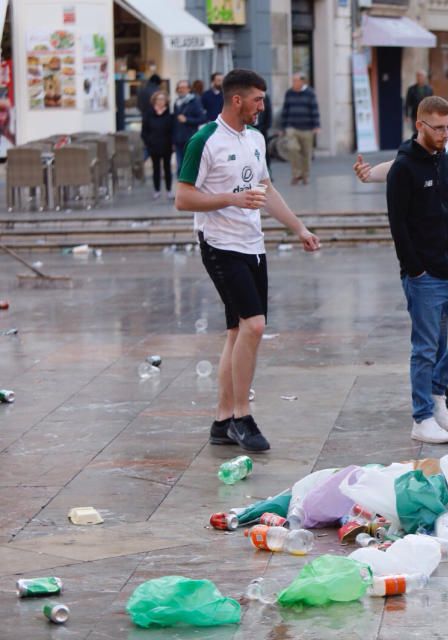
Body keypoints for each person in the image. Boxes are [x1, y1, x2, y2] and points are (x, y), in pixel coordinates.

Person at [175, 69, 321, 452]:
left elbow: (266, 189)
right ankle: (242, 416)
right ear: (237, 100)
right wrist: (231, 198)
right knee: (254, 326)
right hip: (220, 244)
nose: (263, 106)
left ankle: (222, 421)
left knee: (239, 332)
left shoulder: (255, 138)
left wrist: (299, 228)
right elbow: (183, 198)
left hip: (253, 244)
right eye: (258, 99)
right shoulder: (204, 140)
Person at [386, 95, 448, 444]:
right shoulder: (403, 168)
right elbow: (398, 226)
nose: (445, 133)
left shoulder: (447, 162)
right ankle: (421, 417)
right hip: (425, 275)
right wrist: (415, 270)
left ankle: (436, 388)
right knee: (425, 347)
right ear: (419, 126)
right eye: (438, 128)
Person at [281, 73, 321, 185]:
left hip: (307, 128)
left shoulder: (310, 93)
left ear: (302, 82)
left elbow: (314, 109)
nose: (293, 83)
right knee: (292, 149)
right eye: (293, 80)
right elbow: (285, 110)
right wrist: (283, 127)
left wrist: (316, 125)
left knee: (306, 153)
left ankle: (305, 175)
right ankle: (296, 174)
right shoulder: (289, 93)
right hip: (292, 127)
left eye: (295, 80)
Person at [141, 91, 173, 200]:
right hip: (153, 145)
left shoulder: (169, 114)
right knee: (156, 168)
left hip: (166, 145)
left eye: (163, 99)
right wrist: (148, 142)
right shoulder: (149, 114)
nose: (160, 102)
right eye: (158, 99)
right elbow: (144, 131)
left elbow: (172, 130)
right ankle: (157, 190)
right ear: (154, 101)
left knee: (167, 168)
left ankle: (169, 190)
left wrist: (172, 142)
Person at [172, 80, 208, 177]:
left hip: (190, 138)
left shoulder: (194, 101)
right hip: (178, 139)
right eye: (179, 88)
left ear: (188, 89)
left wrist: (187, 120)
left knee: (189, 167)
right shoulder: (176, 102)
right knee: (180, 167)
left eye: (184, 88)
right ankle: (180, 190)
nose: (181, 90)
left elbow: (203, 118)